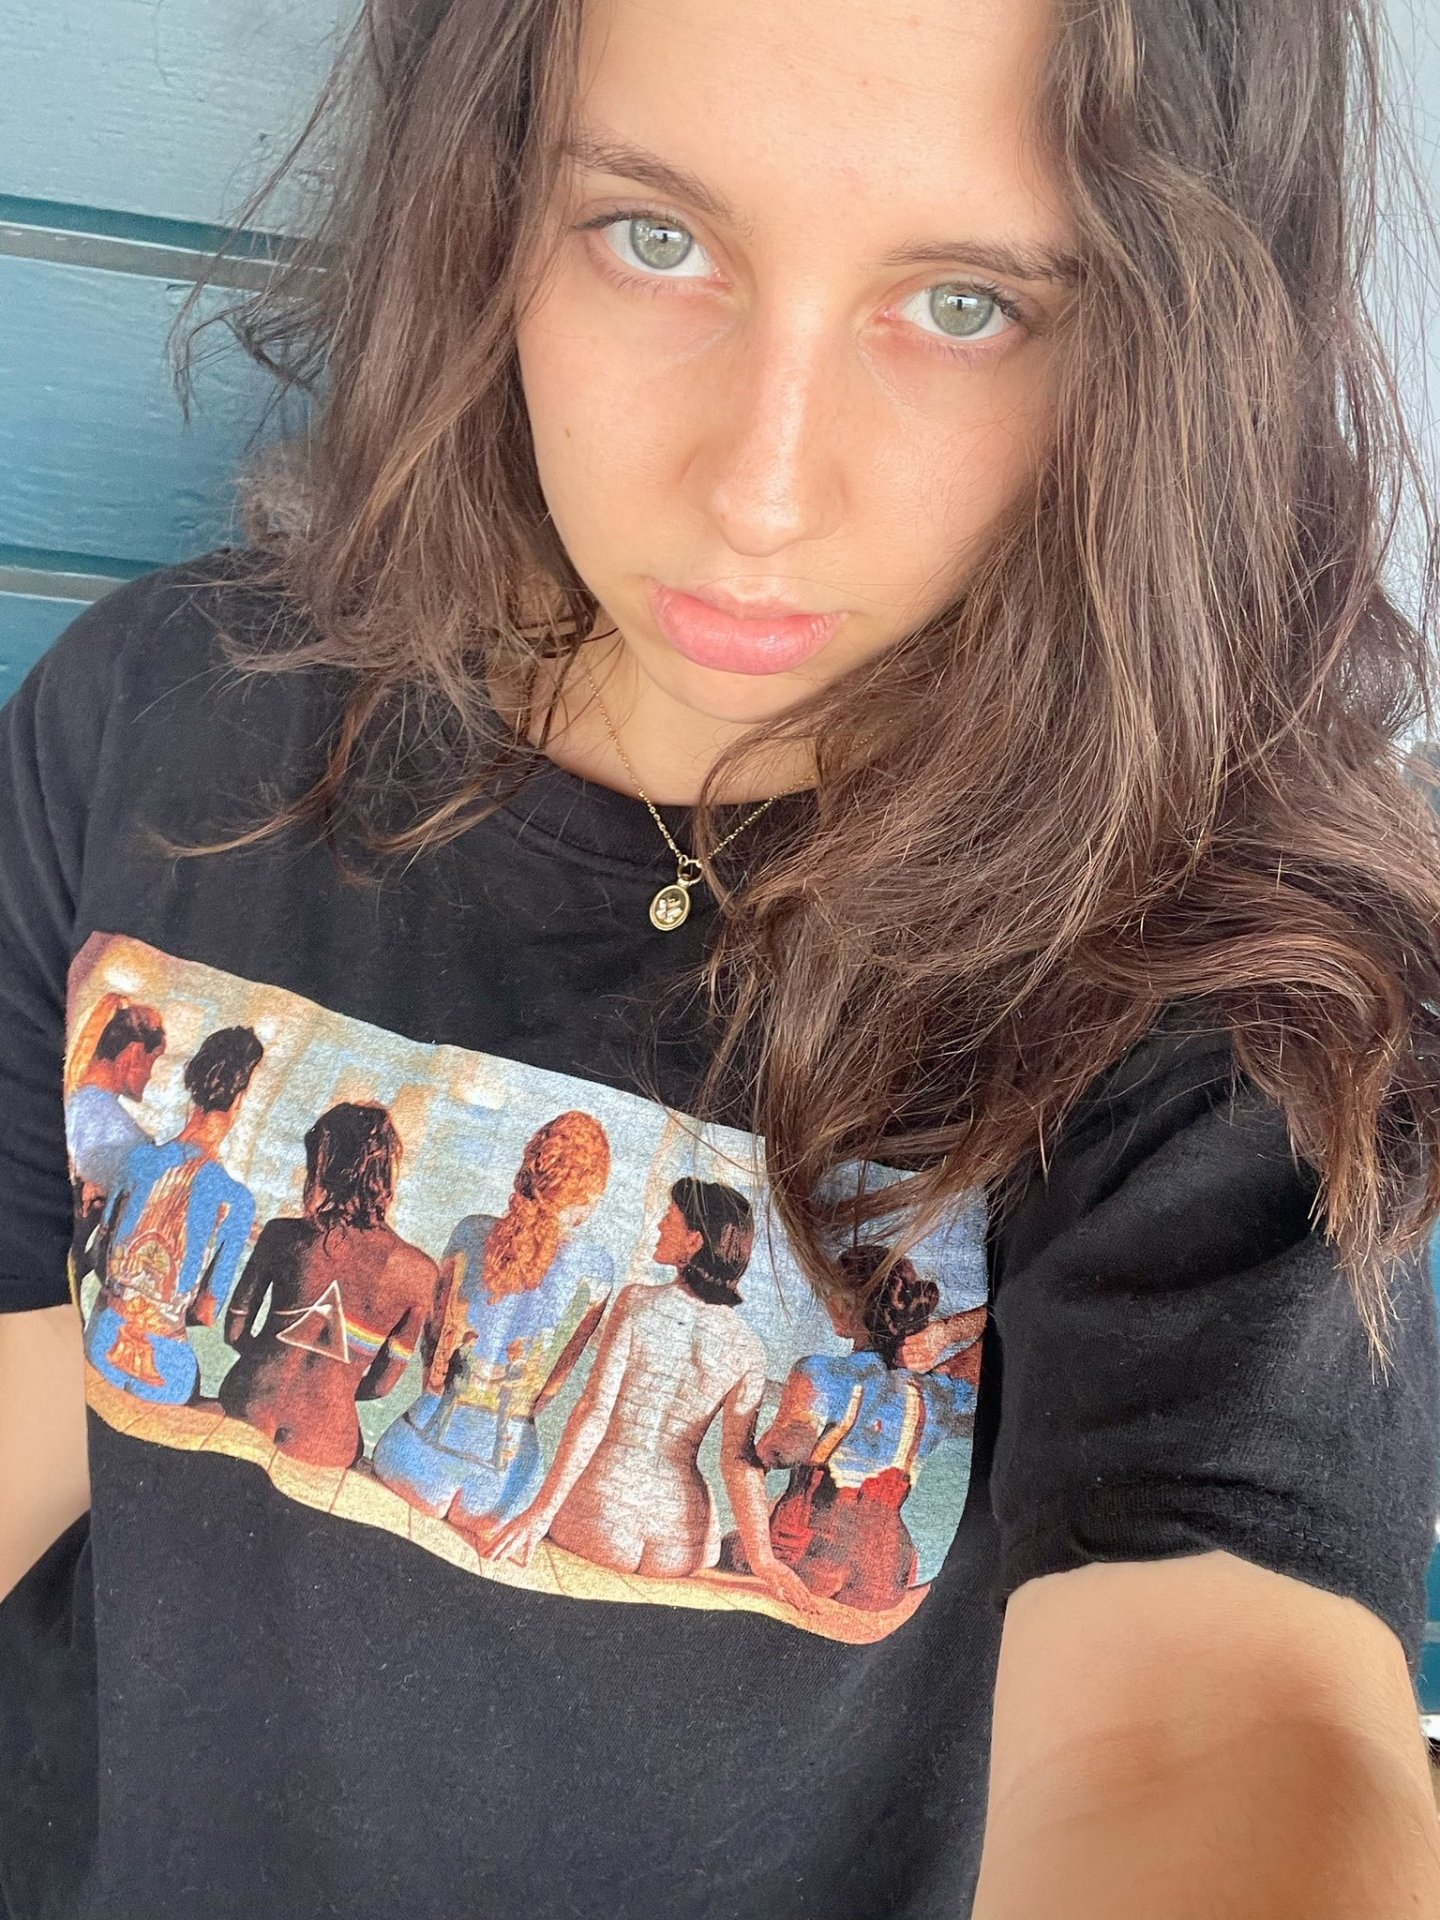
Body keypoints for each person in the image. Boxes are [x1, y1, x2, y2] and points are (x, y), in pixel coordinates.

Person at [3, 0, 1440, 1914]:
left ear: (1162, 351)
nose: (760, 492)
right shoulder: (164, 726)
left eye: (965, 304)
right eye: (654, 236)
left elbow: (1218, 1726)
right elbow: (47, 1355)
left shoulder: (1215, 994)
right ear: (493, 206)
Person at [486, 1177, 815, 1614]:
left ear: (694, 1241)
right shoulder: (748, 1349)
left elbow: (593, 1412)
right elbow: (738, 1461)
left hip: (601, 1518)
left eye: (670, 1218)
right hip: (681, 1541)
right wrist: (764, 1561)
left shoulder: (636, 1303)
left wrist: (539, 1514)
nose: (660, 1225)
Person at [372, 1108, 615, 1524]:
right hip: (504, 1485)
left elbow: (433, 1359)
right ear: (590, 1195)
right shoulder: (597, 1271)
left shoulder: (469, 1232)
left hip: (413, 1457)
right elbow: (549, 1391)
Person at [728, 1242, 987, 1611]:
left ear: (850, 1306)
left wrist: (745, 1435)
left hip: (811, 1553)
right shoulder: (939, 1394)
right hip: (889, 1572)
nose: (828, 1304)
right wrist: (946, 1332)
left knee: (726, 1547)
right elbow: (1006, 1319)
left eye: (834, 1295)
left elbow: (783, 1449)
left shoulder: (820, 1373)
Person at [218, 1101, 441, 1469]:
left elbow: (235, 1331)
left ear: (324, 1166)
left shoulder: (282, 1234)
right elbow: (382, 1385)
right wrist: (336, 1386)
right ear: (386, 1173)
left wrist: (271, 1362)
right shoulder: (419, 1273)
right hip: (324, 1437)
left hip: (247, 1405)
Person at [81, 1026, 263, 1405]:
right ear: (240, 1099)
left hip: (102, 1343)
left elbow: (100, 1259)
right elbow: (207, 1313)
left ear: (192, 1084)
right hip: (164, 1369)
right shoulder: (237, 1202)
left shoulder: (139, 1160)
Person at [62, 994, 166, 1289]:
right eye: (152, 1061)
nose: (149, 1076)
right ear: (134, 1053)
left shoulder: (70, 1102)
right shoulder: (134, 1143)